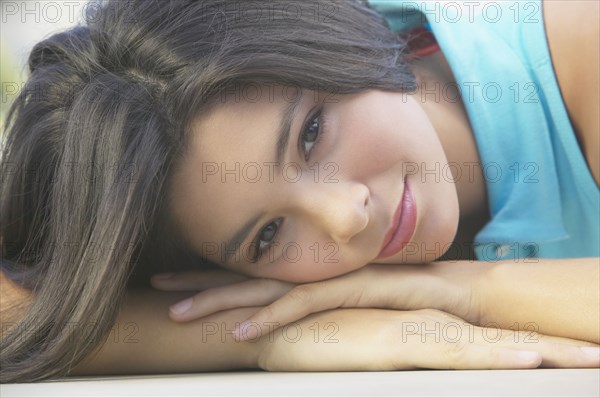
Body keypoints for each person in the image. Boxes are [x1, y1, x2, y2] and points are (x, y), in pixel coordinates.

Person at [0, 0, 598, 384]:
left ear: (336, 40)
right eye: (267, 236)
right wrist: (266, 336)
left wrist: (459, 289)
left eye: (312, 134)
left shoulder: (580, 41)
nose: (343, 218)